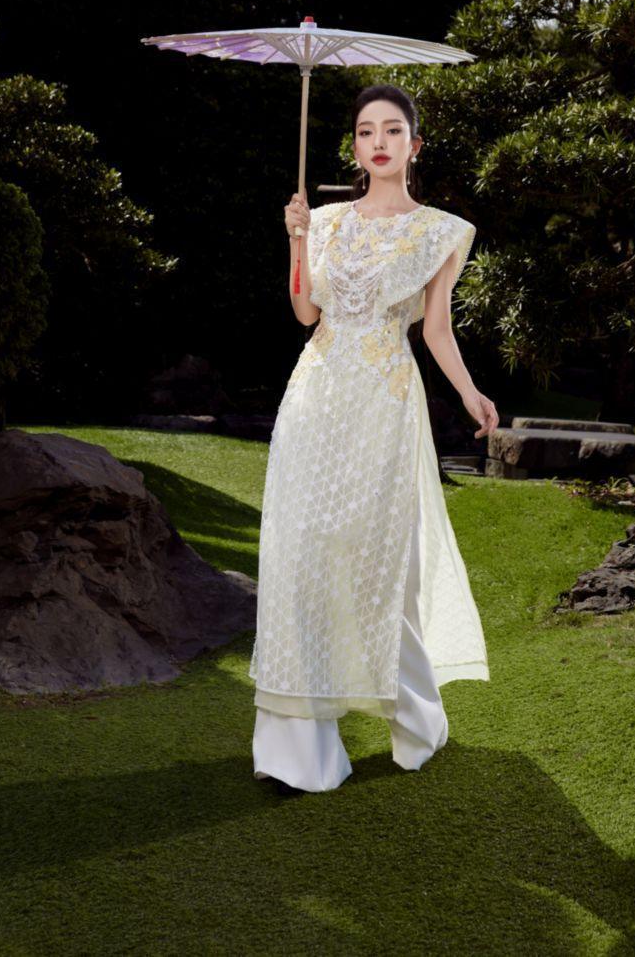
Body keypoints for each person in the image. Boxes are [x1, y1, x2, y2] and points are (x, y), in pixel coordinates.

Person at [249, 83, 499, 794]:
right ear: (354, 147)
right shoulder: (323, 220)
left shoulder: (441, 232)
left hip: (384, 405)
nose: (378, 142)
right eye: (365, 131)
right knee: (300, 555)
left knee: (376, 561)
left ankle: (415, 713)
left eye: (392, 130)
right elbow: (305, 313)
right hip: (315, 398)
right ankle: (297, 753)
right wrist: (297, 240)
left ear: (414, 146)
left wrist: (470, 392)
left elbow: (435, 329)